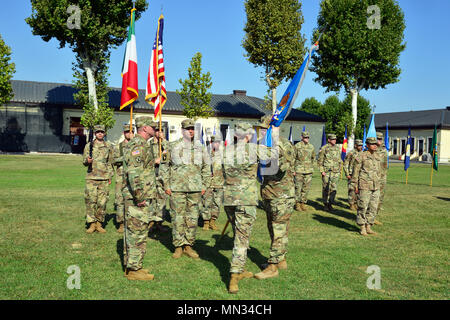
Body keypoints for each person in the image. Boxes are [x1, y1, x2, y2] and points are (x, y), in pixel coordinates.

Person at [223, 121, 272, 294]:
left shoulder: (226, 150)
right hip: (245, 199)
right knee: (242, 239)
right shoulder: (254, 150)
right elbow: (273, 156)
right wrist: (269, 135)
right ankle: (234, 276)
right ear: (249, 135)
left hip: (229, 198)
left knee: (238, 234)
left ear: (236, 135)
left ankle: (241, 268)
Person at [161, 119, 210, 260]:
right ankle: (178, 246)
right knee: (177, 217)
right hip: (177, 188)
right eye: (188, 129)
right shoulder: (172, 146)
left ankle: (189, 245)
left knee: (193, 218)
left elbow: (207, 167)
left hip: (195, 188)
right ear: (182, 130)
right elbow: (164, 167)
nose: (190, 131)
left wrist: (204, 185)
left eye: (192, 129)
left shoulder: (201, 148)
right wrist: (166, 185)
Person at [255, 116, 295, 280]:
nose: (262, 131)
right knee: (274, 229)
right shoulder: (264, 145)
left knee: (279, 230)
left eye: (265, 129)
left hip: (281, 195)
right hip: (270, 194)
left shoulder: (282, 145)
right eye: (261, 129)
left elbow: (279, 168)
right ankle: (281, 260)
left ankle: (272, 267)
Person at [122, 116, 160, 280]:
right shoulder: (138, 145)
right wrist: (139, 196)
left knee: (136, 232)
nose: (155, 129)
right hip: (137, 198)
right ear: (144, 128)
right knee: (136, 233)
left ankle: (133, 265)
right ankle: (133, 270)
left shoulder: (142, 144)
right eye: (152, 127)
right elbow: (134, 173)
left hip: (140, 196)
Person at [83, 124, 114, 234]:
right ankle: (91, 224)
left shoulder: (109, 146)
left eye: (102, 132)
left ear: (104, 133)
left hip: (104, 178)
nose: (100, 133)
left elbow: (110, 162)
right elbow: (84, 162)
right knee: (91, 201)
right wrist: (88, 161)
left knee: (102, 202)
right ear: (95, 134)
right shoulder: (89, 146)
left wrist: (110, 176)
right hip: (91, 177)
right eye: (98, 132)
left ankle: (99, 224)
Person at [352, 137, 381, 236]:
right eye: (372, 144)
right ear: (367, 145)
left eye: (375, 144)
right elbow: (355, 171)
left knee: (373, 207)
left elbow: (379, 171)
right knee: (363, 206)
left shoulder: (377, 156)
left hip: (375, 185)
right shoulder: (361, 156)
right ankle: (362, 227)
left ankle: (369, 226)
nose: (374, 146)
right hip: (364, 185)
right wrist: (355, 185)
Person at [148, 124, 170, 233]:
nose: (159, 132)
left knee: (162, 199)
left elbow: (170, 154)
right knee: (151, 199)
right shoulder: (149, 144)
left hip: (163, 176)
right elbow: (144, 160)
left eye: (161, 130)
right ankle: (151, 221)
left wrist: (164, 140)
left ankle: (159, 222)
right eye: (157, 130)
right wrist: (154, 161)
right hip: (151, 175)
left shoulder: (166, 144)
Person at [113, 124, 134, 233]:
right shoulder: (119, 146)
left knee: (131, 200)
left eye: (131, 132)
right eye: (127, 132)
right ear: (123, 133)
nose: (129, 134)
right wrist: (125, 158)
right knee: (120, 200)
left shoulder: (135, 146)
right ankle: (121, 223)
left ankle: (130, 222)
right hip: (121, 177)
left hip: (133, 177)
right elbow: (114, 160)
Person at [201, 134, 224, 231]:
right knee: (207, 202)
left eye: (218, 143)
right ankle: (206, 222)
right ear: (211, 142)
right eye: (215, 142)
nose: (217, 144)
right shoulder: (205, 153)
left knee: (217, 203)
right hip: (208, 183)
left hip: (219, 182)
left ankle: (213, 221)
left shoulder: (223, 155)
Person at [317, 133, 342, 211]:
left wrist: (340, 168)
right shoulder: (324, 148)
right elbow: (320, 161)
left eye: (335, 139)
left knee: (334, 188)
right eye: (333, 139)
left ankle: (331, 203)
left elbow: (339, 159)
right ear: (329, 140)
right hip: (327, 171)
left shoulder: (337, 148)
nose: (334, 141)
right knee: (326, 188)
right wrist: (322, 171)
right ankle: (325, 204)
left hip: (335, 171)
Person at [294, 131, 316, 211]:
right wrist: (293, 169)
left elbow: (313, 157)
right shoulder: (297, 146)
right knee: (298, 188)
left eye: (308, 137)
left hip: (308, 171)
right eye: (305, 137)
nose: (307, 139)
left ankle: (303, 203)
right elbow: (293, 158)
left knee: (306, 188)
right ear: (302, 138)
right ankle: (297, 204)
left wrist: (311, 166)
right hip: (299, 170)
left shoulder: (311, 147)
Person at [343, 139, 363, 211]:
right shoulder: (351, 153)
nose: (361, 147)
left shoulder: (363, 153)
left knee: (359, 190)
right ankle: (351, 204)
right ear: (355, 145)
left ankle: (356, 203)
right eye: (359, 145)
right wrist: (347, 173)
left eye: (361, 145)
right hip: (352, 174)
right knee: (352, 189)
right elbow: (345, 163)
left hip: (360, 174)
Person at [375, 132, 388, 225]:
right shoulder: (371, 149)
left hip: (382, 177)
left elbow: (385, 164)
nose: (379, 141)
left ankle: (374, 216)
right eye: (377, 139)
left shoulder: (384, 150)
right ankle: (368, 218)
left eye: (380, 139)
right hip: (373, 177)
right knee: (372, 198)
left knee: (380, 197)